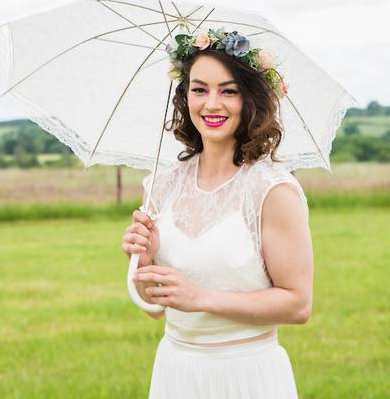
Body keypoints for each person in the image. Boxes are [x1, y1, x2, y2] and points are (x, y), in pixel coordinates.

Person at [121, 29, 313, 399]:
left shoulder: (273, 191)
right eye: (199, 89)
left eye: (229, 90)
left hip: (247, 375)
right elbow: (154, 309)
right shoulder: (161, 186)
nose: (211, 104)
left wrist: (201, 298)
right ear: (184, 97)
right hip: (176, 371)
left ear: (251, 99)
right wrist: (141, 260)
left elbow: (298, 303)